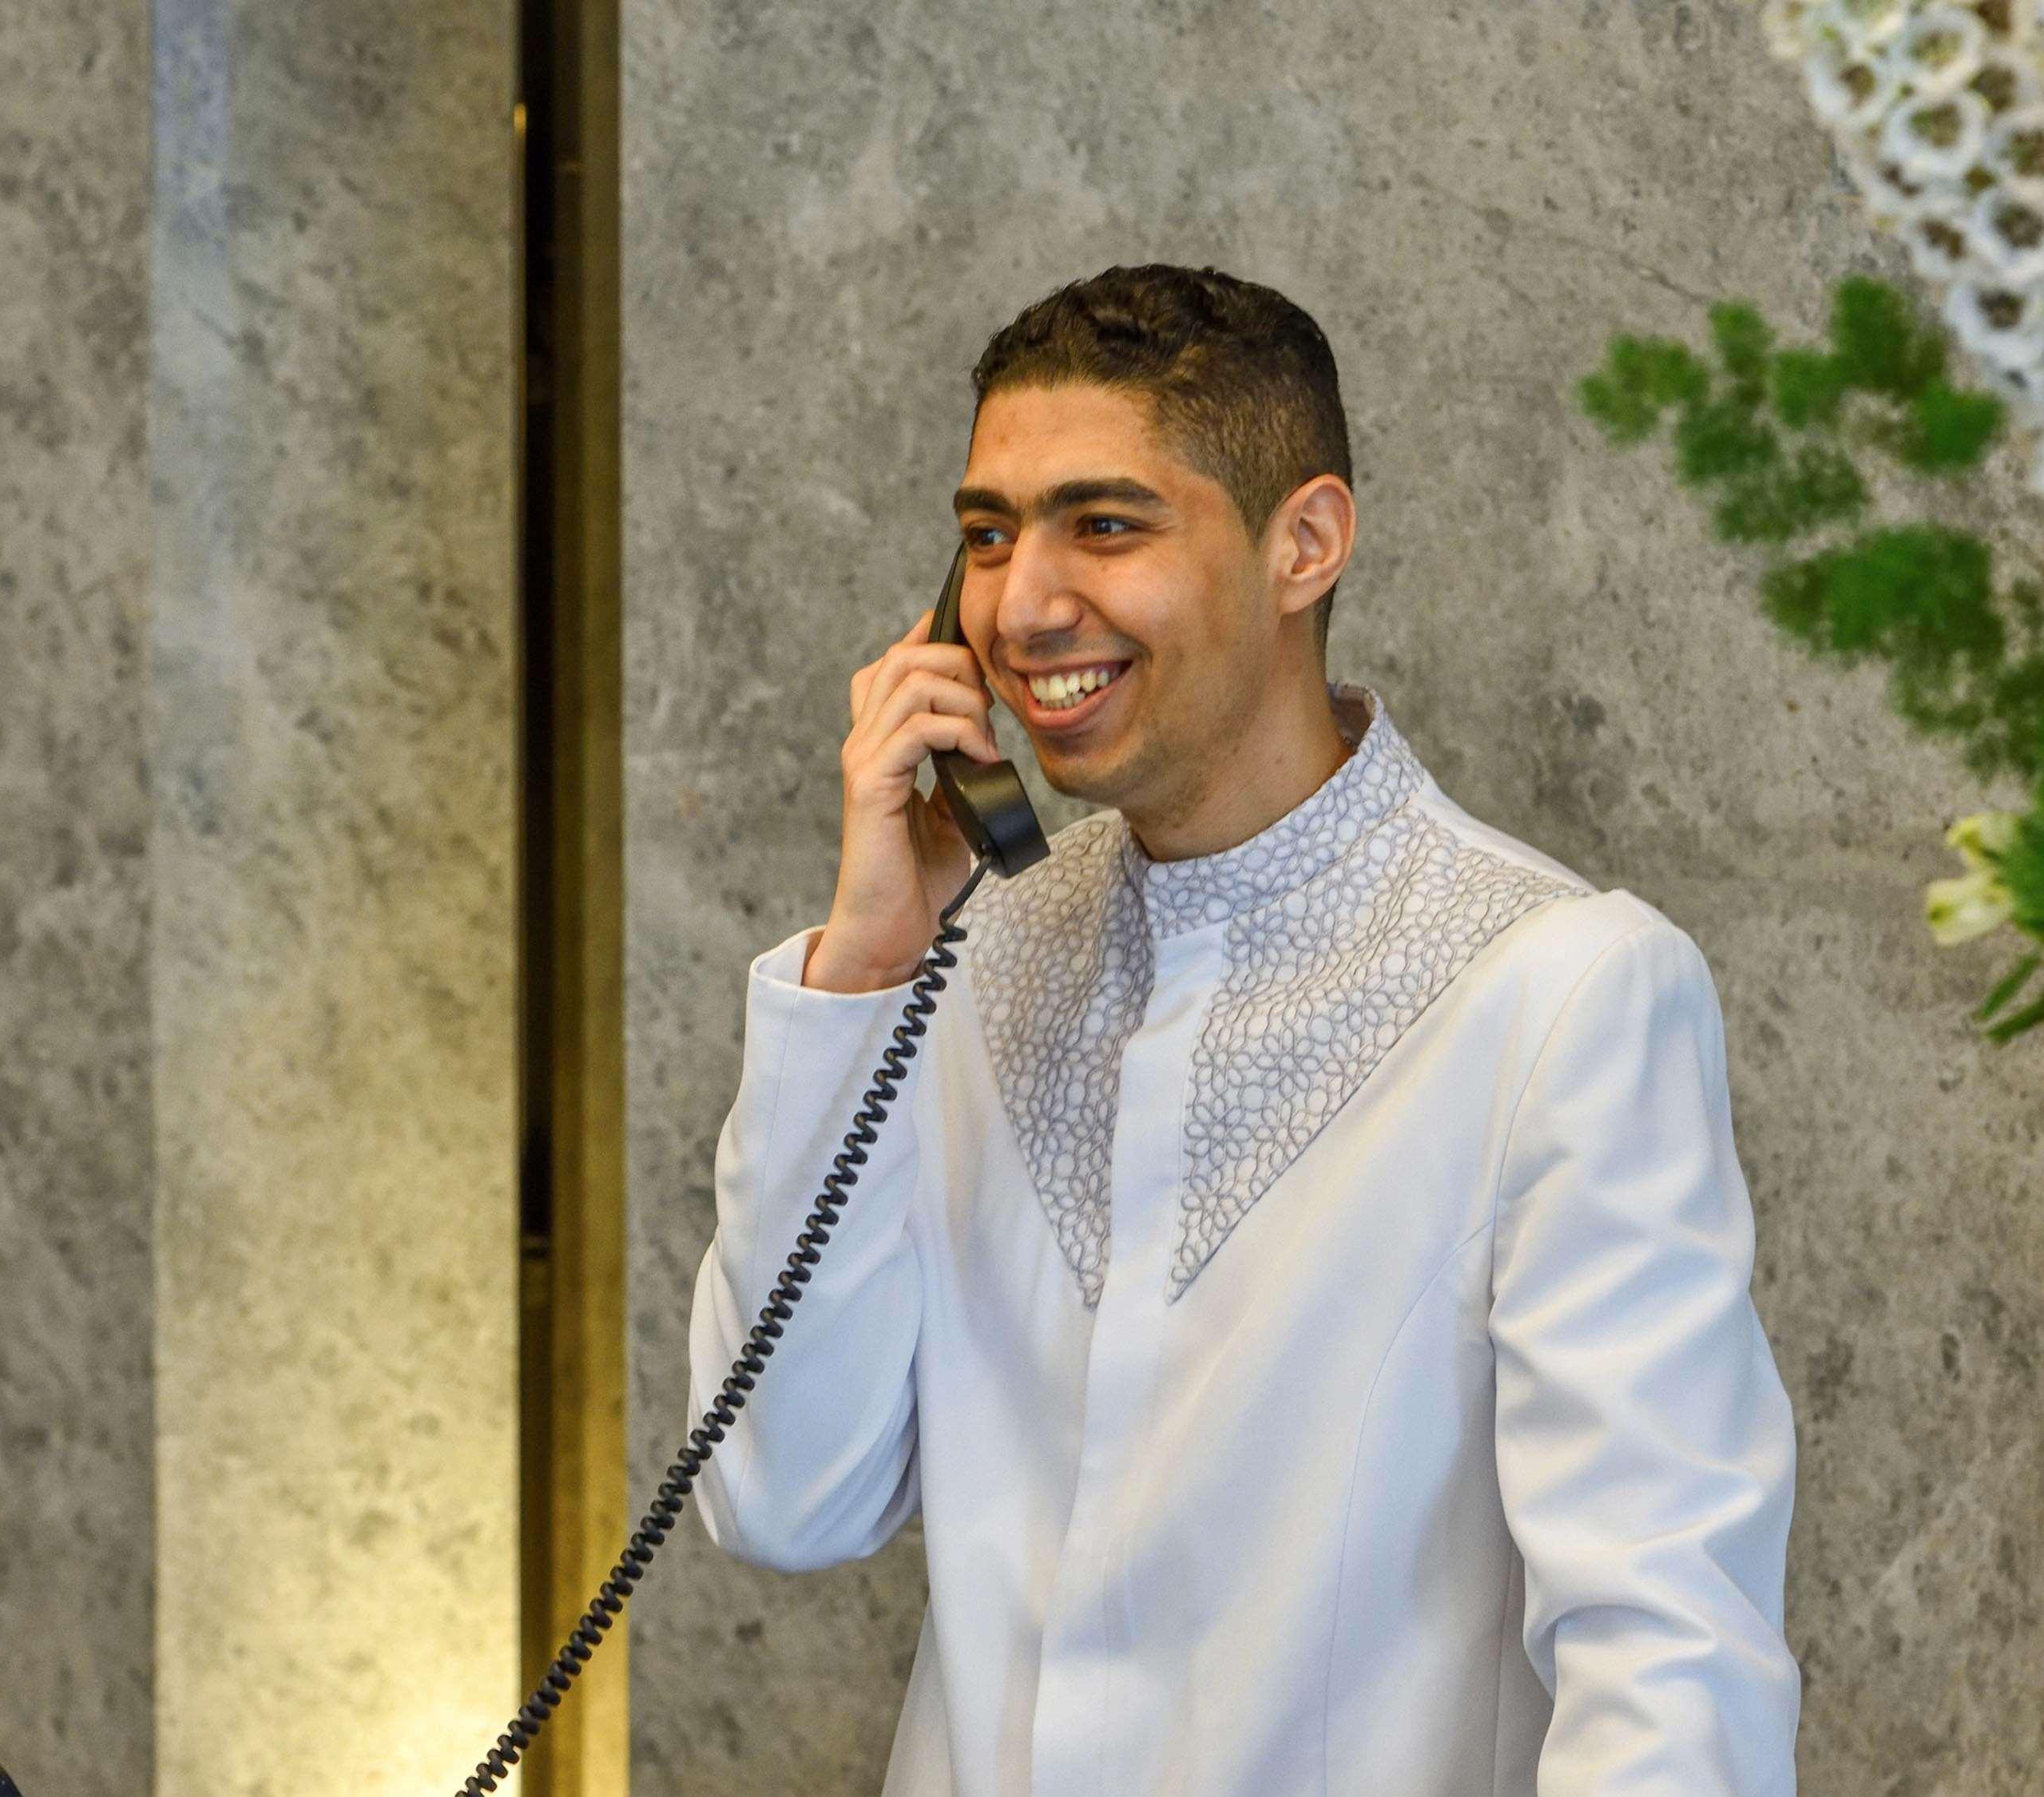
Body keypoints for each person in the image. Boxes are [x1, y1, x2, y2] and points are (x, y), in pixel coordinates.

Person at [684, 262, 1800, 1796]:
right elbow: (780, 1494)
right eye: (989, 537)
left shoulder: (1560, 994)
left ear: (1306, 543)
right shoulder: (963, 953)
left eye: (1107, 524)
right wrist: (870, 956)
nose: (1021, 605)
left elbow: (1671, 1657)